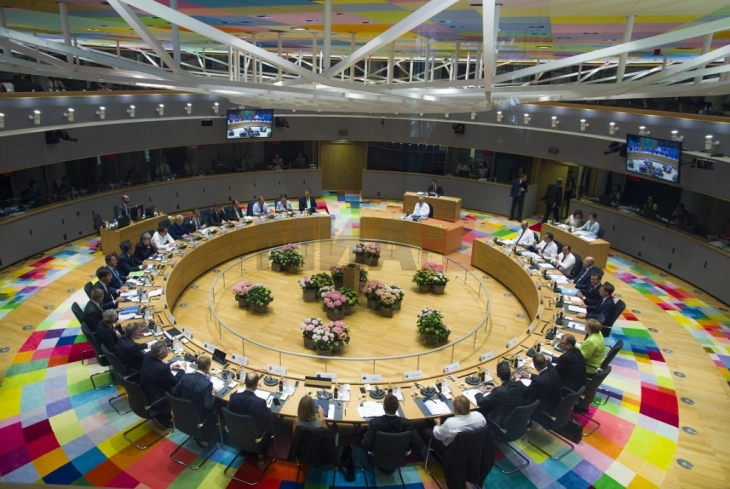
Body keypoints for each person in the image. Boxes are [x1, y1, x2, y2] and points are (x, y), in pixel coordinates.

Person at [172, 355, 219, 447]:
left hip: (183, 413)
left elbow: (174, 392)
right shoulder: (207, 384)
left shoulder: (185, 377)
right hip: (199, 417)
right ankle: (204, 435)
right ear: (208, 366)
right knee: (218, 408)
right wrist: (212, 394)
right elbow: (208, 407)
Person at [227, 372, 273, 464]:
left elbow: (227, 412)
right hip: (255, 437)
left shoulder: (233, 397)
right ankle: (261, 455)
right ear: (257, 384)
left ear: (245, 382)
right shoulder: (260, 403)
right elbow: (269, 421)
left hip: (237, 434)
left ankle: (243, 449)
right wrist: (267, 408)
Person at [420, 395, 486, 459]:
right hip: (474, 448)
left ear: (459, 409)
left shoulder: (450, 423)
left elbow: (438, 436)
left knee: (425, 430)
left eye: (454, 407)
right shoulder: (480, 416)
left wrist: (437, 424)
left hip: (453, 452)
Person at [361, 393, 423, 459]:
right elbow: (419, 444)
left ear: (384, 407)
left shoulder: (374, 423)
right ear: (397, 407)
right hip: (400, 456)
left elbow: (365, 444)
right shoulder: (408, 424)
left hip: (378, 456)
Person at [139, 342, 184, 429]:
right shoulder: (163, 368)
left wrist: (170, 366)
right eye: (166, 349)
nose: (168, 350)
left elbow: (156, 368)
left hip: (144, 390)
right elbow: (175, 381)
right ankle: (166, 419)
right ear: (161, 354)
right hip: (157, 397)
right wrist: (182, 370)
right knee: (179, 388)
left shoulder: (148, 355)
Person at [474, 361, 525, 427]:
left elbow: (480, 402)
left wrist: (479, 392)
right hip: (515, 418)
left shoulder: (498, 391)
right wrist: (495, 388)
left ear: (497, 375)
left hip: (500, 422)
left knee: (481, 410)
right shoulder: (519, 384)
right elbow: (507, 391)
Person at [521, 354, 562, 421]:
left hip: (546, 405)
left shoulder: (538, 381)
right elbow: (544, 378)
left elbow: (526, 391)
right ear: (545, 362)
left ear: (535, 366)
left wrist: (517, 380)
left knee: (519, 395)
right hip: (556, 401)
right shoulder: (553, 370)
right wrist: (529, 376)